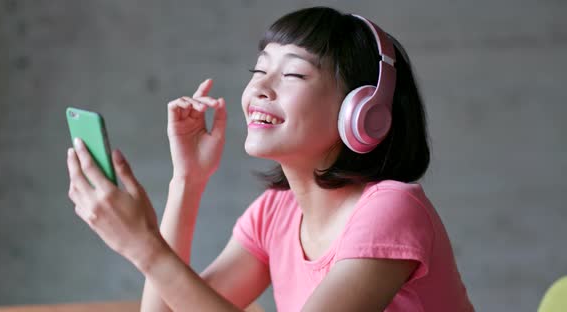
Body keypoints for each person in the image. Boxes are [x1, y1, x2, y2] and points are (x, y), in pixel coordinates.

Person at [66, 6, 474, 312]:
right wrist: (187, 182)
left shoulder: (392, 208)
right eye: (258, 69)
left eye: (293, 74)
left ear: (362, 113)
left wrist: (144, 246)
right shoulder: (275, 213)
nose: (261, 86)